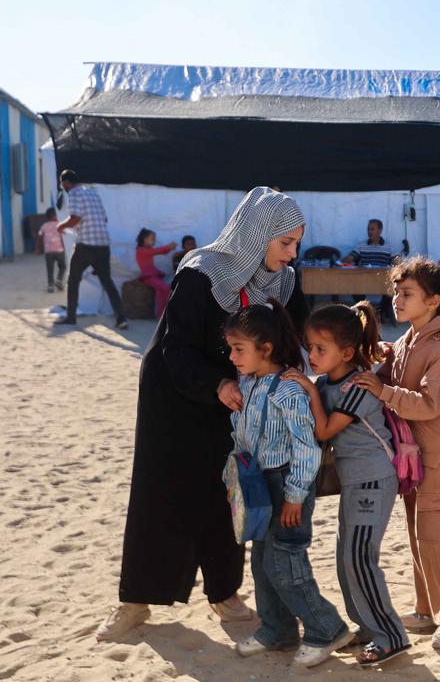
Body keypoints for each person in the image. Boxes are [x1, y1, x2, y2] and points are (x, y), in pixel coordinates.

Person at [95, 186, 308, 642]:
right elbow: (177, 347)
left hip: (238, 402)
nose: (292, 254)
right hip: (175, 393)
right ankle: (135, 602)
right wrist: (219, 384)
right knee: (162, 494)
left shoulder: (284, 280)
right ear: (257, 235)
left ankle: (224, 593)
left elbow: (302, 335)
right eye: (285, 243)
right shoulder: (202, 273)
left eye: (296, 243)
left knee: (229, 493)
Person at [351, 258, 440, 650]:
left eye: (407, 294)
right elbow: (397, 382)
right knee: (417, 534)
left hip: (438, 451)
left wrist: (383, 390)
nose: (396, 300)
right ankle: (427, 608)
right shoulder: (409, 340)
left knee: (436, 536)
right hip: (413, 452)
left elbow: (430, 404)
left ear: (434, 301)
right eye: (395, 292)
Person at [282, 302, 410, 667]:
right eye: (310, 347)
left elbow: (324, 430)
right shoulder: (326, 384)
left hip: (374, 479)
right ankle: (368, 628)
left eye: (321, 349)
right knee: (345, 557)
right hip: (353, 481)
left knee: (360, 557)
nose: (313, 355)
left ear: (347, 352)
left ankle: (392, 636)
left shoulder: (359, 384)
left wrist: (307, 388)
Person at [224, 301, 351, 668]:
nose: (232, 357)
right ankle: (277, 629)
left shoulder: (289, 390)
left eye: (238, 349)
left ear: (266, 349)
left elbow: (307, 449)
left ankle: (327, 629)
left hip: (286, 487)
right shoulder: (247, 383)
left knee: (286, 563)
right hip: (259, 486)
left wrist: (295, 496)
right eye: (231, 349)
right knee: (262, 562)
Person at [54, 169, 128, 328]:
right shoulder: (93, 193)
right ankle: (121, 318)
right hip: (103, 244)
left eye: (63, 184)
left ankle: (71, 317)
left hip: (86, 246)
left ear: (66, 182)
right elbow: (104, 218)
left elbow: (75, 218)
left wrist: (61, 226)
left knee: (73, 280)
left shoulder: (74, 193)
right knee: (107, 282)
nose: (64, 187)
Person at [135, 228, 177, 317]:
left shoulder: (145, 250)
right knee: (165, 289)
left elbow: (160, 251)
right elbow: (157, 251)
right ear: (144, 239)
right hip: (148, 277)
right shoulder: (141, 250)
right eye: (152, 239)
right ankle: (164, 315)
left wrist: (169, 248)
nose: (154, 241)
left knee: (161, 293)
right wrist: (168, 247)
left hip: (152, 275)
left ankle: (161, 315)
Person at [35, 207, 66, 293]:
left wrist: (38, 248)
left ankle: (50, 286)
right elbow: (64, 237)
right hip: (59, 250)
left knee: (50, 269)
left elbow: (40, 238)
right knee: (63, 266)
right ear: (55, 215)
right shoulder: (60, 224)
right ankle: (59, 280)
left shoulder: (44, 226)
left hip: (48, 251)